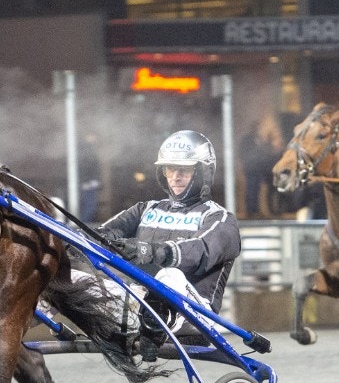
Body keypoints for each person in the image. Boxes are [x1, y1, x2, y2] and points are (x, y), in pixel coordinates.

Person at [97, 129, 242, 337]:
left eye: (184, 169)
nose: (175, 177)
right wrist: (69, 243)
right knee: (74, 278)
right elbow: (104, 233)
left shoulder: (220, 218)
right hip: (139, 302)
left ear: (203, 172)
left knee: (171, 275)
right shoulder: (146, 208)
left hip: (194, 312)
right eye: (170, 168)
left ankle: (152, 331)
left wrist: (152, 251)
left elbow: (200, 252)